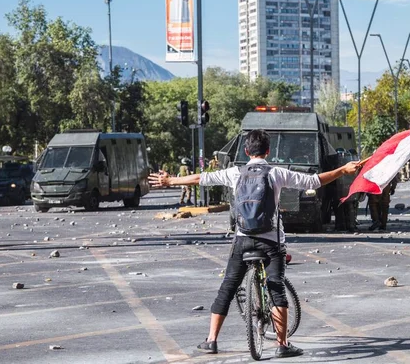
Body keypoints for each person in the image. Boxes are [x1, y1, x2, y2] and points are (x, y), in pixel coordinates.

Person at [148, 129, 360, 358]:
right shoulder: (277, 173)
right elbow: (314, 181)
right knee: (276, 287)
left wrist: (170, 180)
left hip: (244, 239)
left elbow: (202, 178)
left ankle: (211, 340)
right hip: (271, 241)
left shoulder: (235, 173)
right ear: (268, 151)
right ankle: (282, 344)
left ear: (247, 151)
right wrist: (343, 170)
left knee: (228, 287)